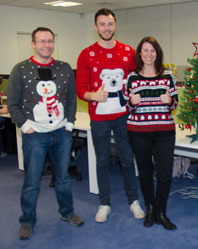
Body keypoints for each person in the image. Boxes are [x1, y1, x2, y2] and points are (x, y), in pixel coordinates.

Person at [7, 27, 83, 240]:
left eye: (50, 41)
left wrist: (69, 124)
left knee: (63, 178)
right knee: (31, 181)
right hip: (34, 135)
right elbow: (13, 104)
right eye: (41, 41)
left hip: (61, 133)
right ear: (33, 44)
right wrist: (26, 127)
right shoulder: (21, 69)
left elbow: (70, 100)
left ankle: (66, 212)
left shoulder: (64, 68)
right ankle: (27, 221)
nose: (46, 45)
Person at [76, 8, 144, 223]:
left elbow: (136, 81)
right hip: (99, 119)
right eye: (102, 24)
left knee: (126, 159)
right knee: (102, 160)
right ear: (96, 27)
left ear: (115, 25)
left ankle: (133, 200)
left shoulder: (127, 52)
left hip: (124, 117)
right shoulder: (86, 54)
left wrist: (136, 96)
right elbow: (80, 88)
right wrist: (92, 95)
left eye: (110, 24)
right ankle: (104, 203)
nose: (107, 28)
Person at [126, 36, 178, 230]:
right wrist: (132, 103)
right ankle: (149, 208)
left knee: (165, 173)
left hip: (164, 131)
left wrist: (169, 101)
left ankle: (161, 212)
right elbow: (127, 107)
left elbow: (175, 104)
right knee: (145, 172)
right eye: (145, 50)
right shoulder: (131, 77)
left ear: (158, 53)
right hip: (138, 131)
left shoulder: (168, 76)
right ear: (140, 53)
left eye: (153, 50)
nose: (149, 54)